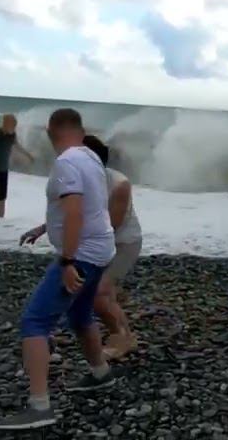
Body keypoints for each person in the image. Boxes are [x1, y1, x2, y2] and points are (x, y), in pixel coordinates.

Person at [0, 109, 118, 431]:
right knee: (80, 315)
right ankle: (101, 373)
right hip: (102, 249)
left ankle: (39, 407)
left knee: (35, 321)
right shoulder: (91, 157)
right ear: (81, 129)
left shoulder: (65, 163)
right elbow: (87, 207)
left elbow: (75, 213)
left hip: (82, 255)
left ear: (50, 132)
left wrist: (66, 262)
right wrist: (45, 227)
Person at [83, 135, 141, 360]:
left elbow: (112, 224)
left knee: (99, 294)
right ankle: (126, 337)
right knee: (106, 295)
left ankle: (121, 338)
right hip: (97, 242)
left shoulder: (119, 184)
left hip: (124, 243)